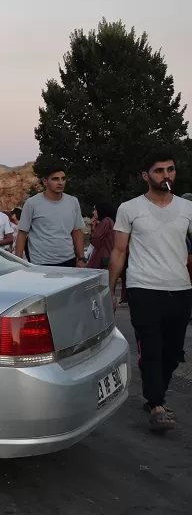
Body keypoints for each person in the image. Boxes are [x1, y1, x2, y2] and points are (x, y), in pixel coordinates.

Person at [109, 151, 192, 432]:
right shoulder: (129, 208)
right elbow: (119, 251)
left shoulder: (187, 208)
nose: (166, 175)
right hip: (143, 287)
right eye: (159, 170)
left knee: (173, 352)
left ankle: (156, 394)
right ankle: (156, 403)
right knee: (152, 347)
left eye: (171, 169)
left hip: (180, 288)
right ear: (146, 176)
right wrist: (110, 290)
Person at [16, 162, 86, 267]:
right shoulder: (32, 203)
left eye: (63, 179)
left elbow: (77, 231)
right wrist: (18, 262)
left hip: (68, 259)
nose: (60, 183)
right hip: (41, 262)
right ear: (45, 182)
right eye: (55, 179)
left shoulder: (73, 202)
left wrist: (81, 258)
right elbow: (22, 233)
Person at [86, 200, 116, 270]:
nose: (93, 212)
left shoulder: (106, 222)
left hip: (102, 257)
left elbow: (95, 240)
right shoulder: (111, 221)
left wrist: (93, 228)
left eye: (95, 210)